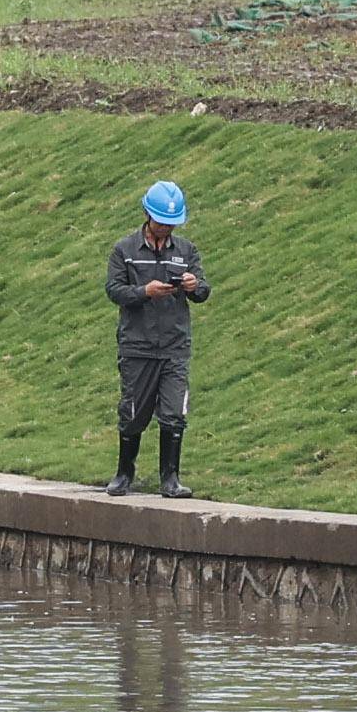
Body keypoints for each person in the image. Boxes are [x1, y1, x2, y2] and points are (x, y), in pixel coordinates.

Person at [105, 179, 209, 496]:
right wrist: (144, 292)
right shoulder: (124, 251)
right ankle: (125, 473)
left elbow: (204, 291)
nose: (166, 228)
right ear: (148, 215)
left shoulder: (187, 251)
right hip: (137, 346)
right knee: (134, 412)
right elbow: (114, 290)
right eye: (162, 222)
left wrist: (194, 286)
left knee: (174, 413)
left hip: (175, 347)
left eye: (172, 223)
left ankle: (171, 479)